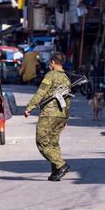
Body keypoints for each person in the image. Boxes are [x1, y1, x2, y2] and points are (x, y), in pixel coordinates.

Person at [24, 52, 71, 181]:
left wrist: (29, 107)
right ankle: (56, 172)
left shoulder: (50, 75)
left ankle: (61, 165)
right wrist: (66, 117)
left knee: (42, 142)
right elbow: (67, 101)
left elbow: (41, 93)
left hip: (48, 114)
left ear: (52, 62)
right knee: (53, 143)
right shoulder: (66, 78)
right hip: (60, 115)